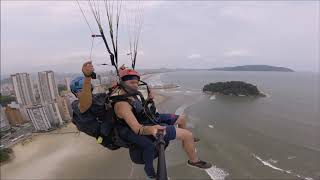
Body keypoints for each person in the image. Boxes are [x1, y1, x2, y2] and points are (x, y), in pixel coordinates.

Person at [113, 65, 212, 178]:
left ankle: (187, 141)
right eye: (131, 82)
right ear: (122, 83)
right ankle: (194, 161)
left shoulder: (130, 95)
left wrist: (149, 100)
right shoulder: (122, 105)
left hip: (148, 117)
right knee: (187, 135)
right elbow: (137, 129)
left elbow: (140, 109)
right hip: (145, 125)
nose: (135, 85)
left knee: (182, 119)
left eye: (136, 83)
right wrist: (152, 128)